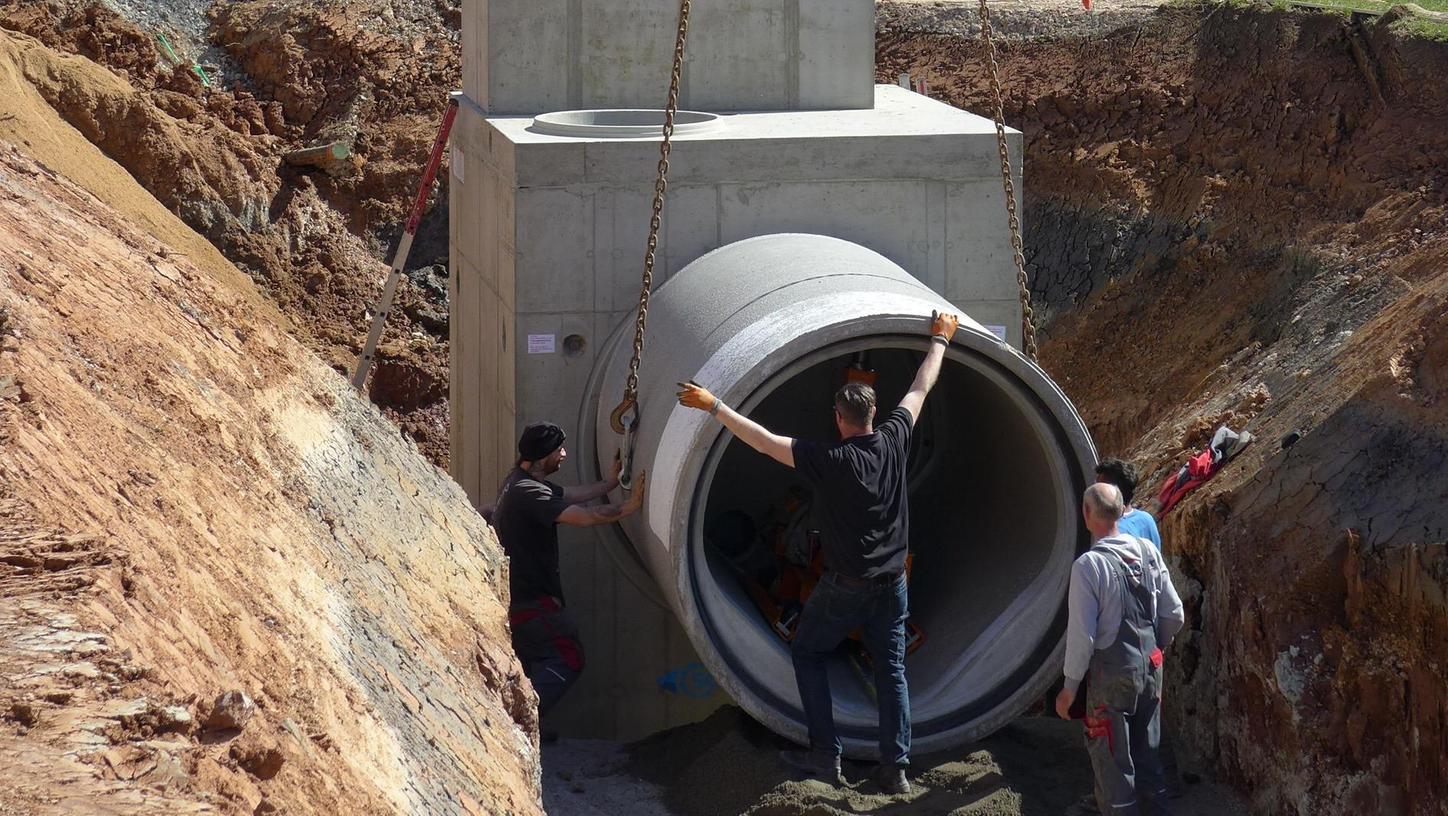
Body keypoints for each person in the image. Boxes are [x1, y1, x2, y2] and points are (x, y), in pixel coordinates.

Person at [676, 310, 960, 796]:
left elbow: (764, 443)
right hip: (893, 585)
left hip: (845, 587)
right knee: (892, 672)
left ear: (838, 419)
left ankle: (826, 759)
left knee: (808, 651)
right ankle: (896, 769)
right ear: (873, 414)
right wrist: (939, 341)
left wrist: (715, 406)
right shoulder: (894, 439)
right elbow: (919, 389)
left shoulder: (829, 460)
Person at [491, 422, 646, 719]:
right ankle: (521, 721)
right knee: (567, 659)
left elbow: (570, 494)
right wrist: (631, 506)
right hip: (533, 602)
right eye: (559, 449)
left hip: (520, 600)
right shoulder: (529, 493)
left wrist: (610, 484)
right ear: (543, 455)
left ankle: (516, 721)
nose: (564, 454)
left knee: (532, 663)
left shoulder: (519, 480)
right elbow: (585, 517)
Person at [1056, 483, 1184, 815]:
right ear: (1123, 510)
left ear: (1087, 514)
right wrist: (1156, 649)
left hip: (1111, 678)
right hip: (1151, 669)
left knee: (1114, 770)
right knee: (1149, 758)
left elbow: (1082, 637)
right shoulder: (1147, 552)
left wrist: (1069, 689)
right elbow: (1174, 614)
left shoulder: (1089, 566)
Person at [1095, 458, 1161, 550]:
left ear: (1113, 493)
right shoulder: (1146, 520)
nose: (1094, 493)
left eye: (1099, 489)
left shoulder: (1110, 532)